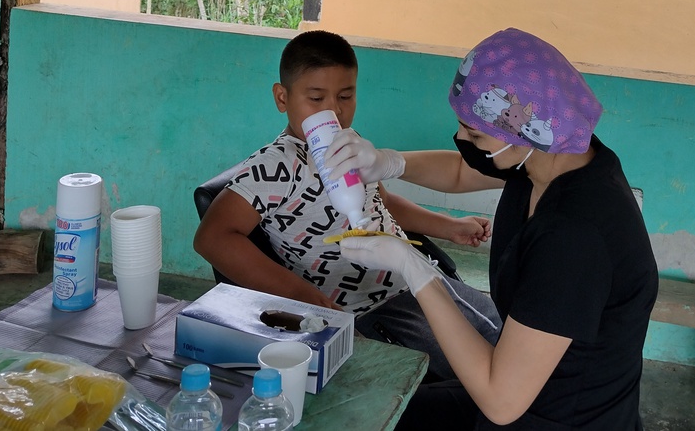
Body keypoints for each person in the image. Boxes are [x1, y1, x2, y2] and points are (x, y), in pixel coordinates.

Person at [325, 28, 658, 430]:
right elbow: (464, 170)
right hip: (523, 385)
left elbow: (501, 401)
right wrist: (388, 162)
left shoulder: (575, 237)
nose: (463, 139)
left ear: (521, 131)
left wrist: (414, 267)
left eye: (475, 132)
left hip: (556, 416)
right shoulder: (550, 157)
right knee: (371, 409)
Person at [192, 29, 501, 382]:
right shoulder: (274, 167)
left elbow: (382, 204)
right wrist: (304, 299)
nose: (333, 110)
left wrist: (448, 225)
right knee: (485, 370)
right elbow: (212, 238)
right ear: (282, 98)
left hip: (416, 278)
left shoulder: (347, 146)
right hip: (377, 308)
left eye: (345, 96)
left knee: (503, 340)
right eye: (316, 98)